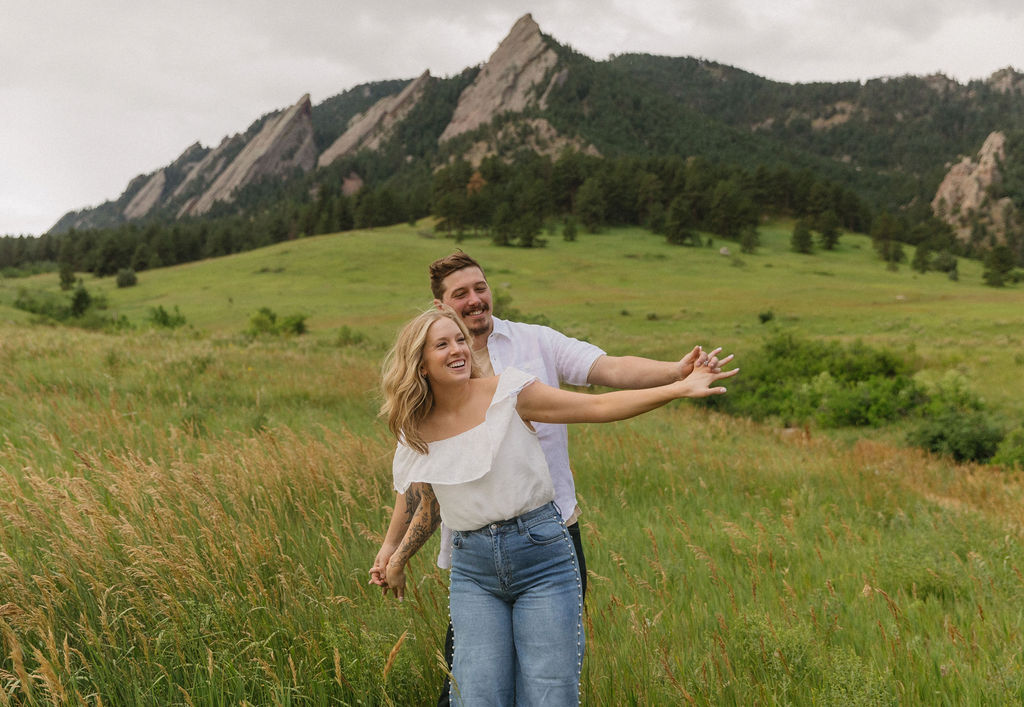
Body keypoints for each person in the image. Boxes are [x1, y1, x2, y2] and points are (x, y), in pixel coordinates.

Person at [370, 251, 733, 704]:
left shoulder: (516, 376)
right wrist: (393, 552)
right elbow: (424, 496)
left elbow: (604, 386)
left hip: (545, 537)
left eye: (480, 288)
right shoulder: (418, 420)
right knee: (475, 691)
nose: (474, 301)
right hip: (472, 558)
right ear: (431, 337)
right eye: (459, 296)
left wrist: (677, 380)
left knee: (546, 692)